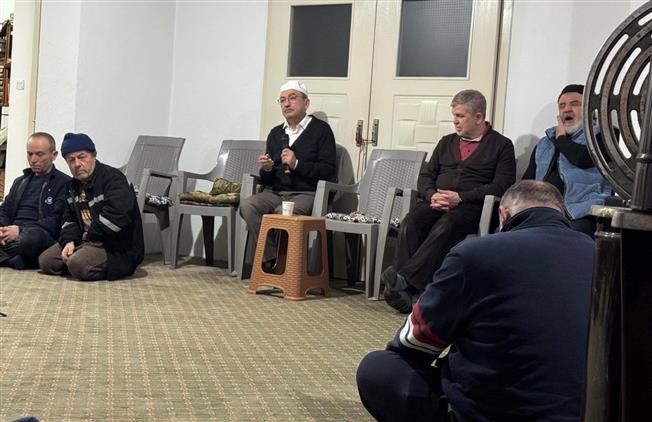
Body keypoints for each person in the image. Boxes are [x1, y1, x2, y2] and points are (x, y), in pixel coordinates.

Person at [357, 180, 594, 422]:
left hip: (494, 411)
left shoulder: (475, 253)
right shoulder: (601, 256)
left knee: (379, 369)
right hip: (586, 411)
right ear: (562, 213)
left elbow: (413, 343)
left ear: (503, 215)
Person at [382, 89, 516, 313]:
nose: (455, 121)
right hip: (437, 202)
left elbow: (502, 186)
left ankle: (403, 279)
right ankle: (406, 290)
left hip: (473, 207)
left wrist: (461, 197)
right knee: (411, 222)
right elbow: (426, 175)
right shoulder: (446, 142)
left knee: (447, 225)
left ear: (478, 117)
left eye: (460, 116)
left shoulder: (502, 145)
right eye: (454, 115)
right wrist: (431, 194)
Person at [238, 80, 337, 267]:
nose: (286, 104)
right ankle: (272, 259)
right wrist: (267, 169)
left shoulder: (321, 130)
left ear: (306, 103)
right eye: (282, 100)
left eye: (292, 98)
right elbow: (267, 178)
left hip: (306, 193)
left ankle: (286, 267)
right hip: (275, 192)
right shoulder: (276, 133)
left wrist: (297, 164)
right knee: (248, 206)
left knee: (282, 212)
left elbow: (329, 171)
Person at [38, 133, 144, 281]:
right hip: (86, 240)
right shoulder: (71, 186)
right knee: (46, 261)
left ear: (93, 156)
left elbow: (117, 217)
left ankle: (87, 264)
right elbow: (68, 219)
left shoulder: (113, 178)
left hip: (114, 245)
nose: (77, 164)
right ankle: (82, 262)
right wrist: (69, 241)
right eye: (71, 160)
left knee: (77, 264)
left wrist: (86, 239)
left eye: (82, 157)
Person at [522, 84, 611, 237]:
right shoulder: (544, 143)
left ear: (589, 109)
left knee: (567, 236)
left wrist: (561, 138)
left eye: (574, 104)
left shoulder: (605, 135)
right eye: (562, 106)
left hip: (583, 212)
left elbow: (582, 158)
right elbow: (526, 181)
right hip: (543, 210)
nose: (567, 109)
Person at [0, 132, 70, 269]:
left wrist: (20, 230)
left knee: (31, 238)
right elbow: (5, 210)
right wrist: (1, 229)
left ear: (54, 155)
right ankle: (12, 260)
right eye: (30, 154)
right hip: (11, 234)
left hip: (36, 235)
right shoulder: (20, 181)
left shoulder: (64, 183)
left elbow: (55, 221)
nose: (33, 159)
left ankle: (7, 256)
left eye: (39, 154)